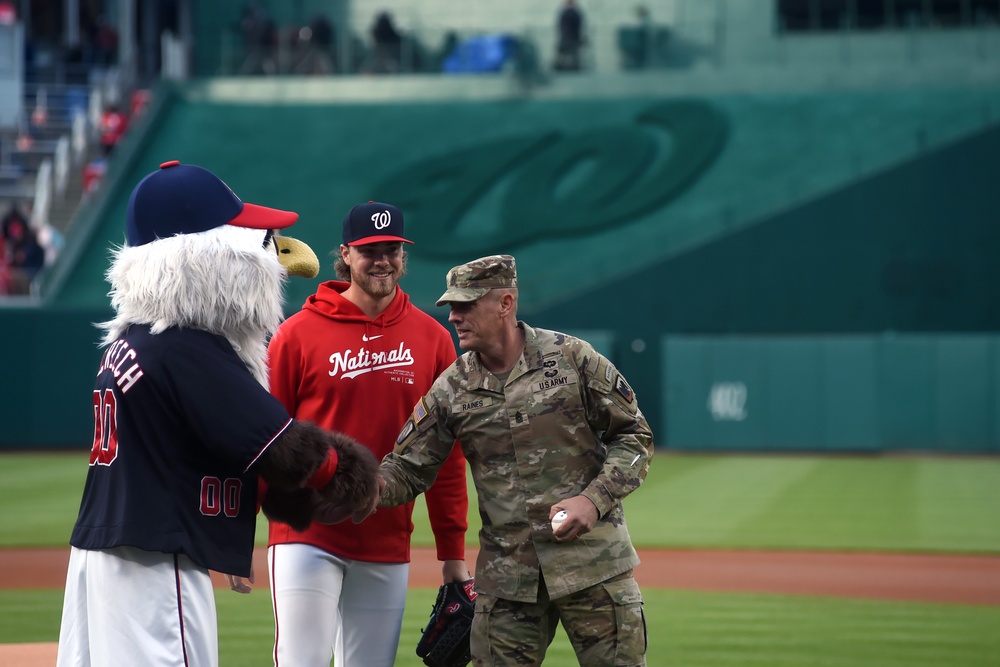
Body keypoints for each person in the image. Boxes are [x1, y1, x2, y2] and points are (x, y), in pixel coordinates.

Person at [55, 161, 382, 667]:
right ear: (209, 252)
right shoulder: (185, 346)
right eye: (253, 235)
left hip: (101, 551)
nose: (269, 250)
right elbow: (282, 447)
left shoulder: (130, 340)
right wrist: (347, 474)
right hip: (155, 558)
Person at [376, 254, 652, 666]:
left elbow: (635, 437)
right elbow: (406, 469)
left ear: (505, 303)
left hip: (594, 569)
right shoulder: (451, 388)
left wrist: (592, 501)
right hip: (509, 584)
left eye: (466, 305)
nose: (454, 316)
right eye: (451, 306)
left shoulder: (572, 358)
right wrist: (351, 482)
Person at [256, 201, 471, 667]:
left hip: (387, 539)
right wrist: (235, 538)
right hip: (305, 534)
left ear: (403, 255)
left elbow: (446, 454)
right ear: (346, 255)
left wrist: (452, 552)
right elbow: (266, 440)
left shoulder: (432, 338)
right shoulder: (296, 335)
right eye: (369, 250)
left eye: (391, 249)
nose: (382, 260)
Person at [554, 0, 585, 71]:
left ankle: (562, 65)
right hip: (573, 39)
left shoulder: (565, 13)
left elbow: (560, 27)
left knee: (564, 53)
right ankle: (572, 65)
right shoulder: (576, 14)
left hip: (566, 38)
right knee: (572, 53)